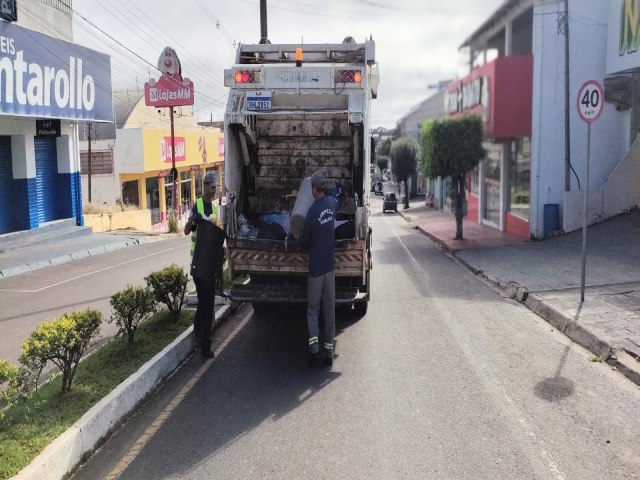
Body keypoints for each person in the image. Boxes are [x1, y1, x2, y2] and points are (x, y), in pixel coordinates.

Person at [184, 171, 225, 359]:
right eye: (212, 187)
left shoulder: (215, 210)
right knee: (207, 303)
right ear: (205, 186)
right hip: (199, 264)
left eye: (216, 187)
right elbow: (185, 230)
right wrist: (194, 219)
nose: (214, 190)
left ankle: (199, 334)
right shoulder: (198, 205)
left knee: (205, 303)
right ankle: (204, 343)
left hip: (210, 264)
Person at [300, 170, 337, 367]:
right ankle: (329, 353)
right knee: (329, 311)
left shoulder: (312, 213)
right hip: (330, 269)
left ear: (314, 189)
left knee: (313, 311)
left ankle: (314, 351)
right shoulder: (332, 204)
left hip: (315, 270)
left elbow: (305, 242)